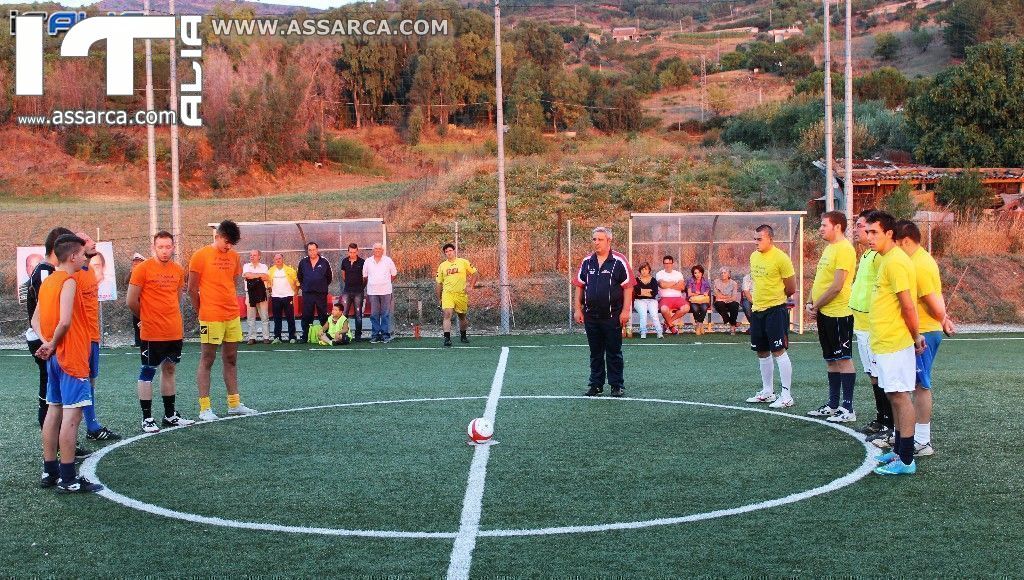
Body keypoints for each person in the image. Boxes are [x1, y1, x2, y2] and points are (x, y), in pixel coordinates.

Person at [32, 233, 103, 493]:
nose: (86, 257)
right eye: (83, 254)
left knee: (54, 412)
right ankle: (69, 478)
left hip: (54, 357)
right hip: (70, 356)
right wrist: (53, 343)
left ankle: (49, 471)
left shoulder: (48, 281)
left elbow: (35, 321)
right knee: (71, 419)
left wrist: (47, 342)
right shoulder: (69, 281)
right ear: (73, 256)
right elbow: (65, 321)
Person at [864, 211, 924, 476]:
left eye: (874, 232)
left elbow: (908, 305)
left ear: (889, 233)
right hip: (884, 341)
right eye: (867, 232)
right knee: (893, 396)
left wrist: (915, 335)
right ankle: (900, 450)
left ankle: (907, 459)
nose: (868, 237)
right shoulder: (885, 260)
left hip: (896, 341)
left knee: (900, 397)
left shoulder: (896, 262)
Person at [894, 219, 957, 458]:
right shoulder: (914, 261)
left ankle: (922, 440)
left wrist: (942, 319)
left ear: (906, 241)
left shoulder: (920, 264)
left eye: (896, 243)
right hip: (919, 330)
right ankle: (907, 436)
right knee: (912, 384)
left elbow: (933, 301)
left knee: (921, 385)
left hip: (924, 333)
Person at [188, 220, 258, 421]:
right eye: (226, 242)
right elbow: (192, 289)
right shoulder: (200, 256)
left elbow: (232, 284)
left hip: (231, 315)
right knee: (207, 359)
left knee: (231, 358)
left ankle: (234, 404)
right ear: (217, 236)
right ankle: (205, 408)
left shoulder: (234, 257)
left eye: (231, 244)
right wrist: (201, 311)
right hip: (210, 316)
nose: (228, 247)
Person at [127, 231, 195, 433]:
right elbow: (131, 300)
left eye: (168, 247)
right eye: (160, 247)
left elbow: (176, 298)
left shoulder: (178, 270)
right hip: (151, 332)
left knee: (170, 370)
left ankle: (170, 415)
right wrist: (145, 318)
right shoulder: (143, 269)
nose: (165, 251)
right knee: (147, 371)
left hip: (173, 330)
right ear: (154, 248)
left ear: (173, 247)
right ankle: (147, 418)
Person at [806, 211, 858, 423]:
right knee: (830, 360)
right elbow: (820, 278)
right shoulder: (829, 248)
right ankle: (833, 404)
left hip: (839, 313)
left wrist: (816, 305)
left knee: (843, 359)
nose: (820, 228)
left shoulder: (845, 249)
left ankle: (848, 408)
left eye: (824, 225)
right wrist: (810, 301)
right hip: (824, 312)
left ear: (837, 227)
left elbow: (837, 286)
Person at [574, 227, 634, 397]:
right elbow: (579, 286)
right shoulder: (587, 261)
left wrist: (625, 311)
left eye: (600, 239)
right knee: (595, 352)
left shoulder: (619, 261)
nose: (596, 242)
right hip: (591, 316)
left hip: (612, 316)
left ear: (609, 241)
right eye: (594, 239)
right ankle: (596, 385)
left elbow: (628, 287)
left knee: (614, 352)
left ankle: (616, 385)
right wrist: (578, 309)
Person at [744, 224, 798, 409]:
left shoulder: (781, 258)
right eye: (755, 239)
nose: (756, 242)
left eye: (759, 239)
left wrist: (776, 298)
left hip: (775, 310)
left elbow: (791, 288)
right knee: (761, 351)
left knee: (778, 351)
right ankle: (768, 391)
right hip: (758, 310)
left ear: (770, 239)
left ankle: (786, 395)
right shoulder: (753, 256)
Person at [26, 227, 74, 432]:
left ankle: (56, 442)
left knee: (52, 391)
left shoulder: (45, 271)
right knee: (52, 394)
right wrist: (50, 340)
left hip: (45, 336)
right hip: (46, 338)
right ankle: (55, 442)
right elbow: (47, 310)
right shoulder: (47, 272)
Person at [849, 209, 890, 441]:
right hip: (861, 324)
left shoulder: (879, 257)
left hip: (873, 324)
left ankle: (888, 423)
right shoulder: (866, 255)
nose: (857, 230)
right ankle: (881, 418)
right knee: (872, 374)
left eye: (860, 226)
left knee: (880, 374)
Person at [76, 232, 120, 443]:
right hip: (80, 339)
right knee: (80, 382)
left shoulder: (86, 272)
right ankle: (82, 431)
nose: (93, 242)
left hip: (92, 336)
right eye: (87, 240)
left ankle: (91, 426)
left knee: (90, 380)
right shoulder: (73, 275)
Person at [436, 243, 479, 347]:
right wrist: (439, 298)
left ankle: (463, 335)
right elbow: (439, 283)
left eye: (450, 250)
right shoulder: (442, 266)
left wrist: (471, 286)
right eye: (446, 252)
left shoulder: (463, 262)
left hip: (461, 294)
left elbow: (475, 273)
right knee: (447, 314)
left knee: (462, 317)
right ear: (445, 254)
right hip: (448, 294)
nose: (449, 253)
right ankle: (447, 338)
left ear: (454, 251)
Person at [296, 241, 333, 343]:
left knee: (323, 315)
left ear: (317, 250)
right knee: (307, 315)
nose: (312, 252)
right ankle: (305, 336)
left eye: (314, 250)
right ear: (307, 251)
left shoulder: (324, 262)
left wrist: (322, 286)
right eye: (310, 250)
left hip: (321, 293)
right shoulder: (303, 262)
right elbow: (299, 277)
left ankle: (326, 334)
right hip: (307, 293)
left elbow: (329, 277)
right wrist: (305, 286)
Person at [362, 243, 398, 344]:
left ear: (382, 250)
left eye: (379, 249)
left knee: (385, 314)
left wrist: (386, 282)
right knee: (374, 314)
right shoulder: (368, 261)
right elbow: (365, 276)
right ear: (373, 250)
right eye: (376, 249)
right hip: (372, 292)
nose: (377, 250)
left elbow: (394, 274)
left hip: (386, 291)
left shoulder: (388, 260)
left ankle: (385, 335)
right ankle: (375, 335)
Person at [268, 253, 299, 344]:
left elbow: (297, 281)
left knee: (290, 317)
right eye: (276, 259)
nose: (278, 260)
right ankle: (277, 337)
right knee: (277, 318)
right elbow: (268, 283)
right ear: (274, 260)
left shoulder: (290, 270)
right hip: (275, 297)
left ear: (282, 259)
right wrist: (271, 291)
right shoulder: (270, 271)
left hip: (288, 296)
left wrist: (296, 291)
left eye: (279, 258)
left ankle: (292, 337)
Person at [339, 243, 366, 341]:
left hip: (358, 292)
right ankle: (344, 335)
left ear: (357, 251)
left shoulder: (362, 262)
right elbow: (343, 276)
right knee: (344, 314)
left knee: (358, 314)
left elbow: (365, 277)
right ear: (348, 252)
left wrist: (360, 287)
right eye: (350, 252)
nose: (352, 254)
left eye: (354, 252)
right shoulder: (344, 261)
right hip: (347, 291)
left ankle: (358, 336)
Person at [242, 249, 271, 344]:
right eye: (250, 255)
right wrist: (259, 276)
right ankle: (252, 337)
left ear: (259, 256)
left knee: (264, 316)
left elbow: (266, 277)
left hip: (262, 292)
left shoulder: (264, 266)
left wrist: (253, 275)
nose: (252, 256)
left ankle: (266, 337)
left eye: (254, 255)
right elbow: (247, 275)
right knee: (250, 317)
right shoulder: (246, 266)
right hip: (250, 293)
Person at [656, 255, 689, 335]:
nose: (667, 265)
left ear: (672, 263)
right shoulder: (659, 273)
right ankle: (671, 326)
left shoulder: (678, 274)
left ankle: (667, 323)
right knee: (664, 309)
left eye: (669, 263)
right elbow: (662, 285)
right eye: (665, 263)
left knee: (686, 308)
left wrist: (668, 284)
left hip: (678, 298)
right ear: (663, 264)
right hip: (664, 298)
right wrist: (675, 283)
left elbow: (682, 287)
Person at [633, 262, 663, 339]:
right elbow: (637, 293)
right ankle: (643, 332)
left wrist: (642, 291)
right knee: (643, 315)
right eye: (642, 269)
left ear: (649, 270)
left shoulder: (653, 280)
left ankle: (659, 332)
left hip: (651, 300)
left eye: (646, 269)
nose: (644, 271)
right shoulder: (636, 280)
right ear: (640, 270)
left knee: (654, 315)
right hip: (639, 301)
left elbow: (654, 293)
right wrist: (647, 291)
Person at [712, 267, 741, 335]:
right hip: (719, 302)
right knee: (719, 304)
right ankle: (733, 324)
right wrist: (727, 297)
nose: (723, 274)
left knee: (735, 305)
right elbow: (717, 296)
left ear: (729, 275)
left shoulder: (734, 283)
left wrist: (724, 298)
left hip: (730, 301)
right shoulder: (716, 282)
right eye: (721, 273)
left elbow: (734, 298)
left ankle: (731, 325)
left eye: (725, 273)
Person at [687, 265, 712, 335]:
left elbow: (708, 290)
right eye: (695, 273)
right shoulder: (690, 281)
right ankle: (700, 325)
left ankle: (698, 325)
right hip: (694, 300)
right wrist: (695, 293)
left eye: (699, 273)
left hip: (703, 300)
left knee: (704, 308)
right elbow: (689, 294)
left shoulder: (705, 281)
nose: (697, 275)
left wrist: (706, 292)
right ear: (693, 274)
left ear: (702, 273)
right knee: (695, 309)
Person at [128, 252, 146, 347]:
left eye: (138, 261)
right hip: (136, 299)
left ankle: (147, 340)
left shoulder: (145, 270)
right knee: (136, 320)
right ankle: (138, 341)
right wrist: (131, 271)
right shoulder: (133, 271)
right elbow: (125, 281)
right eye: (134, 262)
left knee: (146, 320)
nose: (135, 263)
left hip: (145, 299)